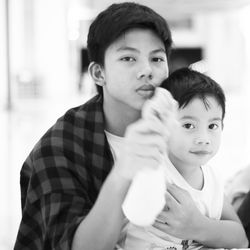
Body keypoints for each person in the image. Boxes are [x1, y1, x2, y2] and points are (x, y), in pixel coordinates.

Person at [14, 2, 173, 250]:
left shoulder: (175, 123)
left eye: (157, 58)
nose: (147, 70)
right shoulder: (58, 147)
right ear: (99, 73)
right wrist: (123, 172)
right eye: (128, 58)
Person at [119, 68, 248, 250]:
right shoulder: (155, 167)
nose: (203, 138)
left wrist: (198, 226)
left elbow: (240, 238)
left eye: (212, 125)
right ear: (165, 123)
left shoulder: (212, 179)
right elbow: (137, 213)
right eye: (188, 125)